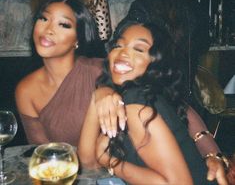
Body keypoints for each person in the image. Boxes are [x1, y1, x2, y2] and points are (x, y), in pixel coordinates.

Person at [78, 19, 217, 185]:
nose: (122, 53)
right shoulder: (135, 96)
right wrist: (97, 97)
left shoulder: (138, 106)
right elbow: (88, 163)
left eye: (138, 49)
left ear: (155, 62)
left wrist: (112, 163)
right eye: (118, 45)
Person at [14, 0, 118, 146]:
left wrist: (106, 89)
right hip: (61, 167)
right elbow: (42, 153)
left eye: (63, 24)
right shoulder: (25, 90)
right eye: (43, 18)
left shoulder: (99, 71)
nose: (48, 30)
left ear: (78, 40)